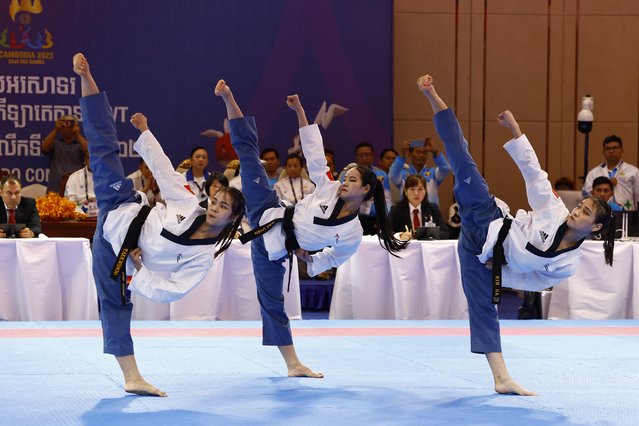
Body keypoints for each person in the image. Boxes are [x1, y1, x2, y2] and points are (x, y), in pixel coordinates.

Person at [417, 73, 615, 395]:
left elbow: (533, 281)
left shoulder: (567, 264)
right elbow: (534, 173)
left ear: (594, 228)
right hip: (487, 218)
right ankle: (432, 95)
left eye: (586, 213)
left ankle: (501, 378)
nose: (576, 211)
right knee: (463, 161)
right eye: (580, 206)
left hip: (479, 256)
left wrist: (498, 274)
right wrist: (515, 129)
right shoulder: (553, 211)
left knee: (483, 308)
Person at [72, 54, 244, 397]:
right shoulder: (187, 202)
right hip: (119, 208)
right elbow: (165, 171)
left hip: (117, 252)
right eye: (215, 200)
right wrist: (146, 132)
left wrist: (137, 272)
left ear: (231, 220)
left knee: (116, 304)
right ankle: (87, 76)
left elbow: (173, 290)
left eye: (223, 206)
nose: (214, 207)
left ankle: (132, 377)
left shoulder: (203, 257)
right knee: (104, 148)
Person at [214, 79, 407, 378]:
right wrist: (301, 112)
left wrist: (309, 259)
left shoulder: (353, 232)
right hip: (268, 210)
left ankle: (293, 363)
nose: (344, 181)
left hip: (274, 250)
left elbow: (334, 258)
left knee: (273, 303)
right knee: (250, 157)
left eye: (352, 180)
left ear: (366, 190)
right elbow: (315, 153)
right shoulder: (328, 188)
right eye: (345, 176)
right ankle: (228, 97)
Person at [582, 135, 639, 210]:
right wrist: (608, 185)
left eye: (615, 148)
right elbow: (586, 195)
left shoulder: (633, 171)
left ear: (622, 150)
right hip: (600, 214)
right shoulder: (594, 173)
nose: (611, 151)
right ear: (603, 151)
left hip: (627, 213)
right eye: (608, 148)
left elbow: (637, 196)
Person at [389, 137, 451, 206]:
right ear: (410, 154)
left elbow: (446, 169)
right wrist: (402, 156)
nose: (421, 155)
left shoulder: (433, 173)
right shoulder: (403, 173)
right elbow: (392, 175)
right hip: (407, 213)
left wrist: (435, 152)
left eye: (424, 153)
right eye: (418, 152)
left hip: (429, 212)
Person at [389, 174, 446, 240]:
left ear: (425, 191)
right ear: (405, 191)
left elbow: (445, 232)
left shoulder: (433, 208)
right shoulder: (396, 210)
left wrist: (430, 235)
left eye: (420, 189)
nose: (416, 193)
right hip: (406, 249)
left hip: (428, 248)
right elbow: (385, 232)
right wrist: (400, 235)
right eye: (412, 189)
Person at [42, 113, 89, 194]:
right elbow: (44, 148)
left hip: (76, 190)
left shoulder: (80, 144)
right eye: (64, 123)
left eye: (70, 124)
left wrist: (77, 134)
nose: (67, 126)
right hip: (55, 189)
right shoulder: (55, 143)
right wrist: (56, 129)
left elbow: (89, 152)